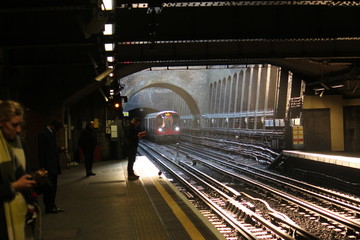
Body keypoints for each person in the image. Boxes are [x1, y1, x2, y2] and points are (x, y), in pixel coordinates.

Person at [0, 100, 37, 240]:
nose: (18, 130)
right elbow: (17, 183)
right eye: (14, 125)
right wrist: (14, 186)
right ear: (1, 122)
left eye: (20, 125)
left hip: (22, 215)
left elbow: (24, 176)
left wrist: (35, 179)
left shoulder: (21, 145)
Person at [37, 119, 65, 214]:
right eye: (57, 129)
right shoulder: (43, 134)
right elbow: (42, 152)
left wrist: (59, 150)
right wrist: (42, 167)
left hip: (53, 165)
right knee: (48, 188)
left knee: (53, 187)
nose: (57, 131)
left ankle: (53, 205)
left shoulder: (51, 134)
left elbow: (51, 149)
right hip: (48, 166)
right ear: (53, 126)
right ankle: (49, 206)